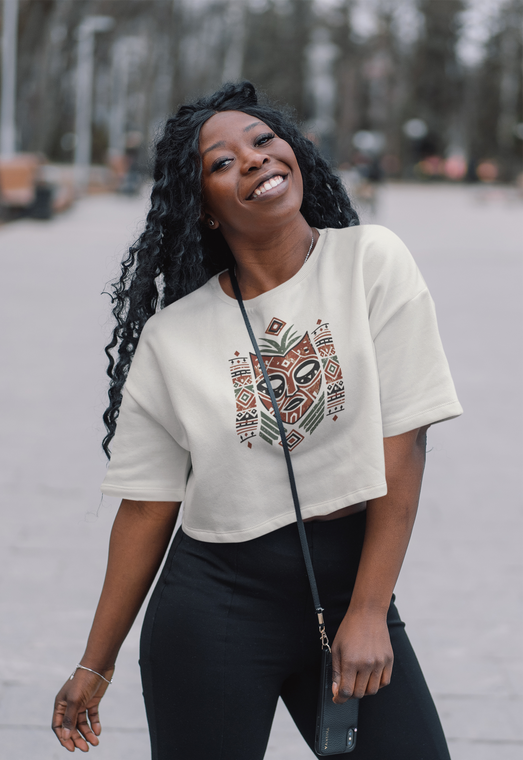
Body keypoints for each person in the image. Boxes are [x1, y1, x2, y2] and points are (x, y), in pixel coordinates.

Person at [51, 81, 462, 759]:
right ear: (204, 209)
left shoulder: (370, 261)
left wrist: (367, 609)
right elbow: (147, 505)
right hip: (214, 602)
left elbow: (404, 441)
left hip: (349, 584)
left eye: (263, 141)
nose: (251, 159)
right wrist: (95, 664)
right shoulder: (173, 337)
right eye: (220, 162)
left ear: (294, 153)